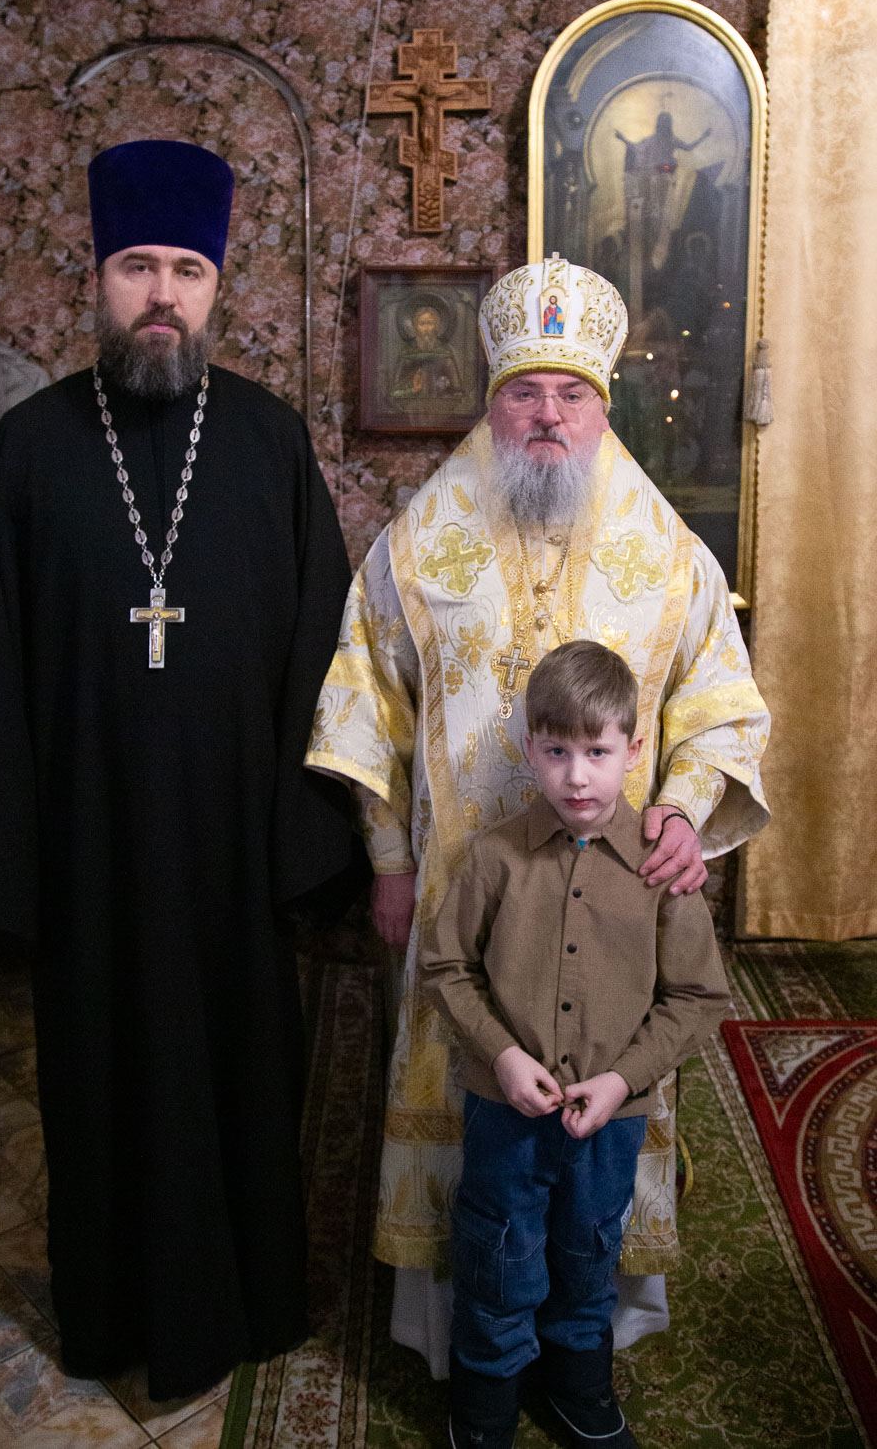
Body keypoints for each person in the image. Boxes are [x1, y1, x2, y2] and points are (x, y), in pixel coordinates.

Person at [0, 139, 354, 1401]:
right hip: (88, 853)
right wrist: (11, 860)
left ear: (217, 287)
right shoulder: (31, 448)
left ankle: (250, 1301)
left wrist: (300, 845)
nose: (161, 294)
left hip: (230, 858)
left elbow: (323, 656)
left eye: (186, 271)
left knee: (243, 1079)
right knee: (98, 1089)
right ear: (95, 278)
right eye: (136, 266)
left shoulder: (267, 440)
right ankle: (108, 1315)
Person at [306, 255, 769, 1378]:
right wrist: (389, 860)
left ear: (603, 408)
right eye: (525, 392)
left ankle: (584, 1332)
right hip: (465, 894)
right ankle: (460, 1335)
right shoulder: (418, 545)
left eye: (571, 394)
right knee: (475, 1112)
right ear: (492, 400)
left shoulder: (668, 553)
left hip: (615, 900)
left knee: (600, 1115)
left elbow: (719, 701)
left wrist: (681, 809)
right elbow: (366, 700)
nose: (548, 414)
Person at [423, 640, 731, 1449]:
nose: (577, 776)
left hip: (611, 1120)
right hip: (504, 1110)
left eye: (597, 752)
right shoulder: (493, 858)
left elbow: (698, 996)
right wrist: (503, 1055)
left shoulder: (664, 873)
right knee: (496, 1254)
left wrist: (622, 1080)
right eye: (556, 752)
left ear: (635, 750)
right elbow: (446, 967)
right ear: (529, 749)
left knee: (591, 1252)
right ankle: (484, 1405)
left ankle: (578, 1386)